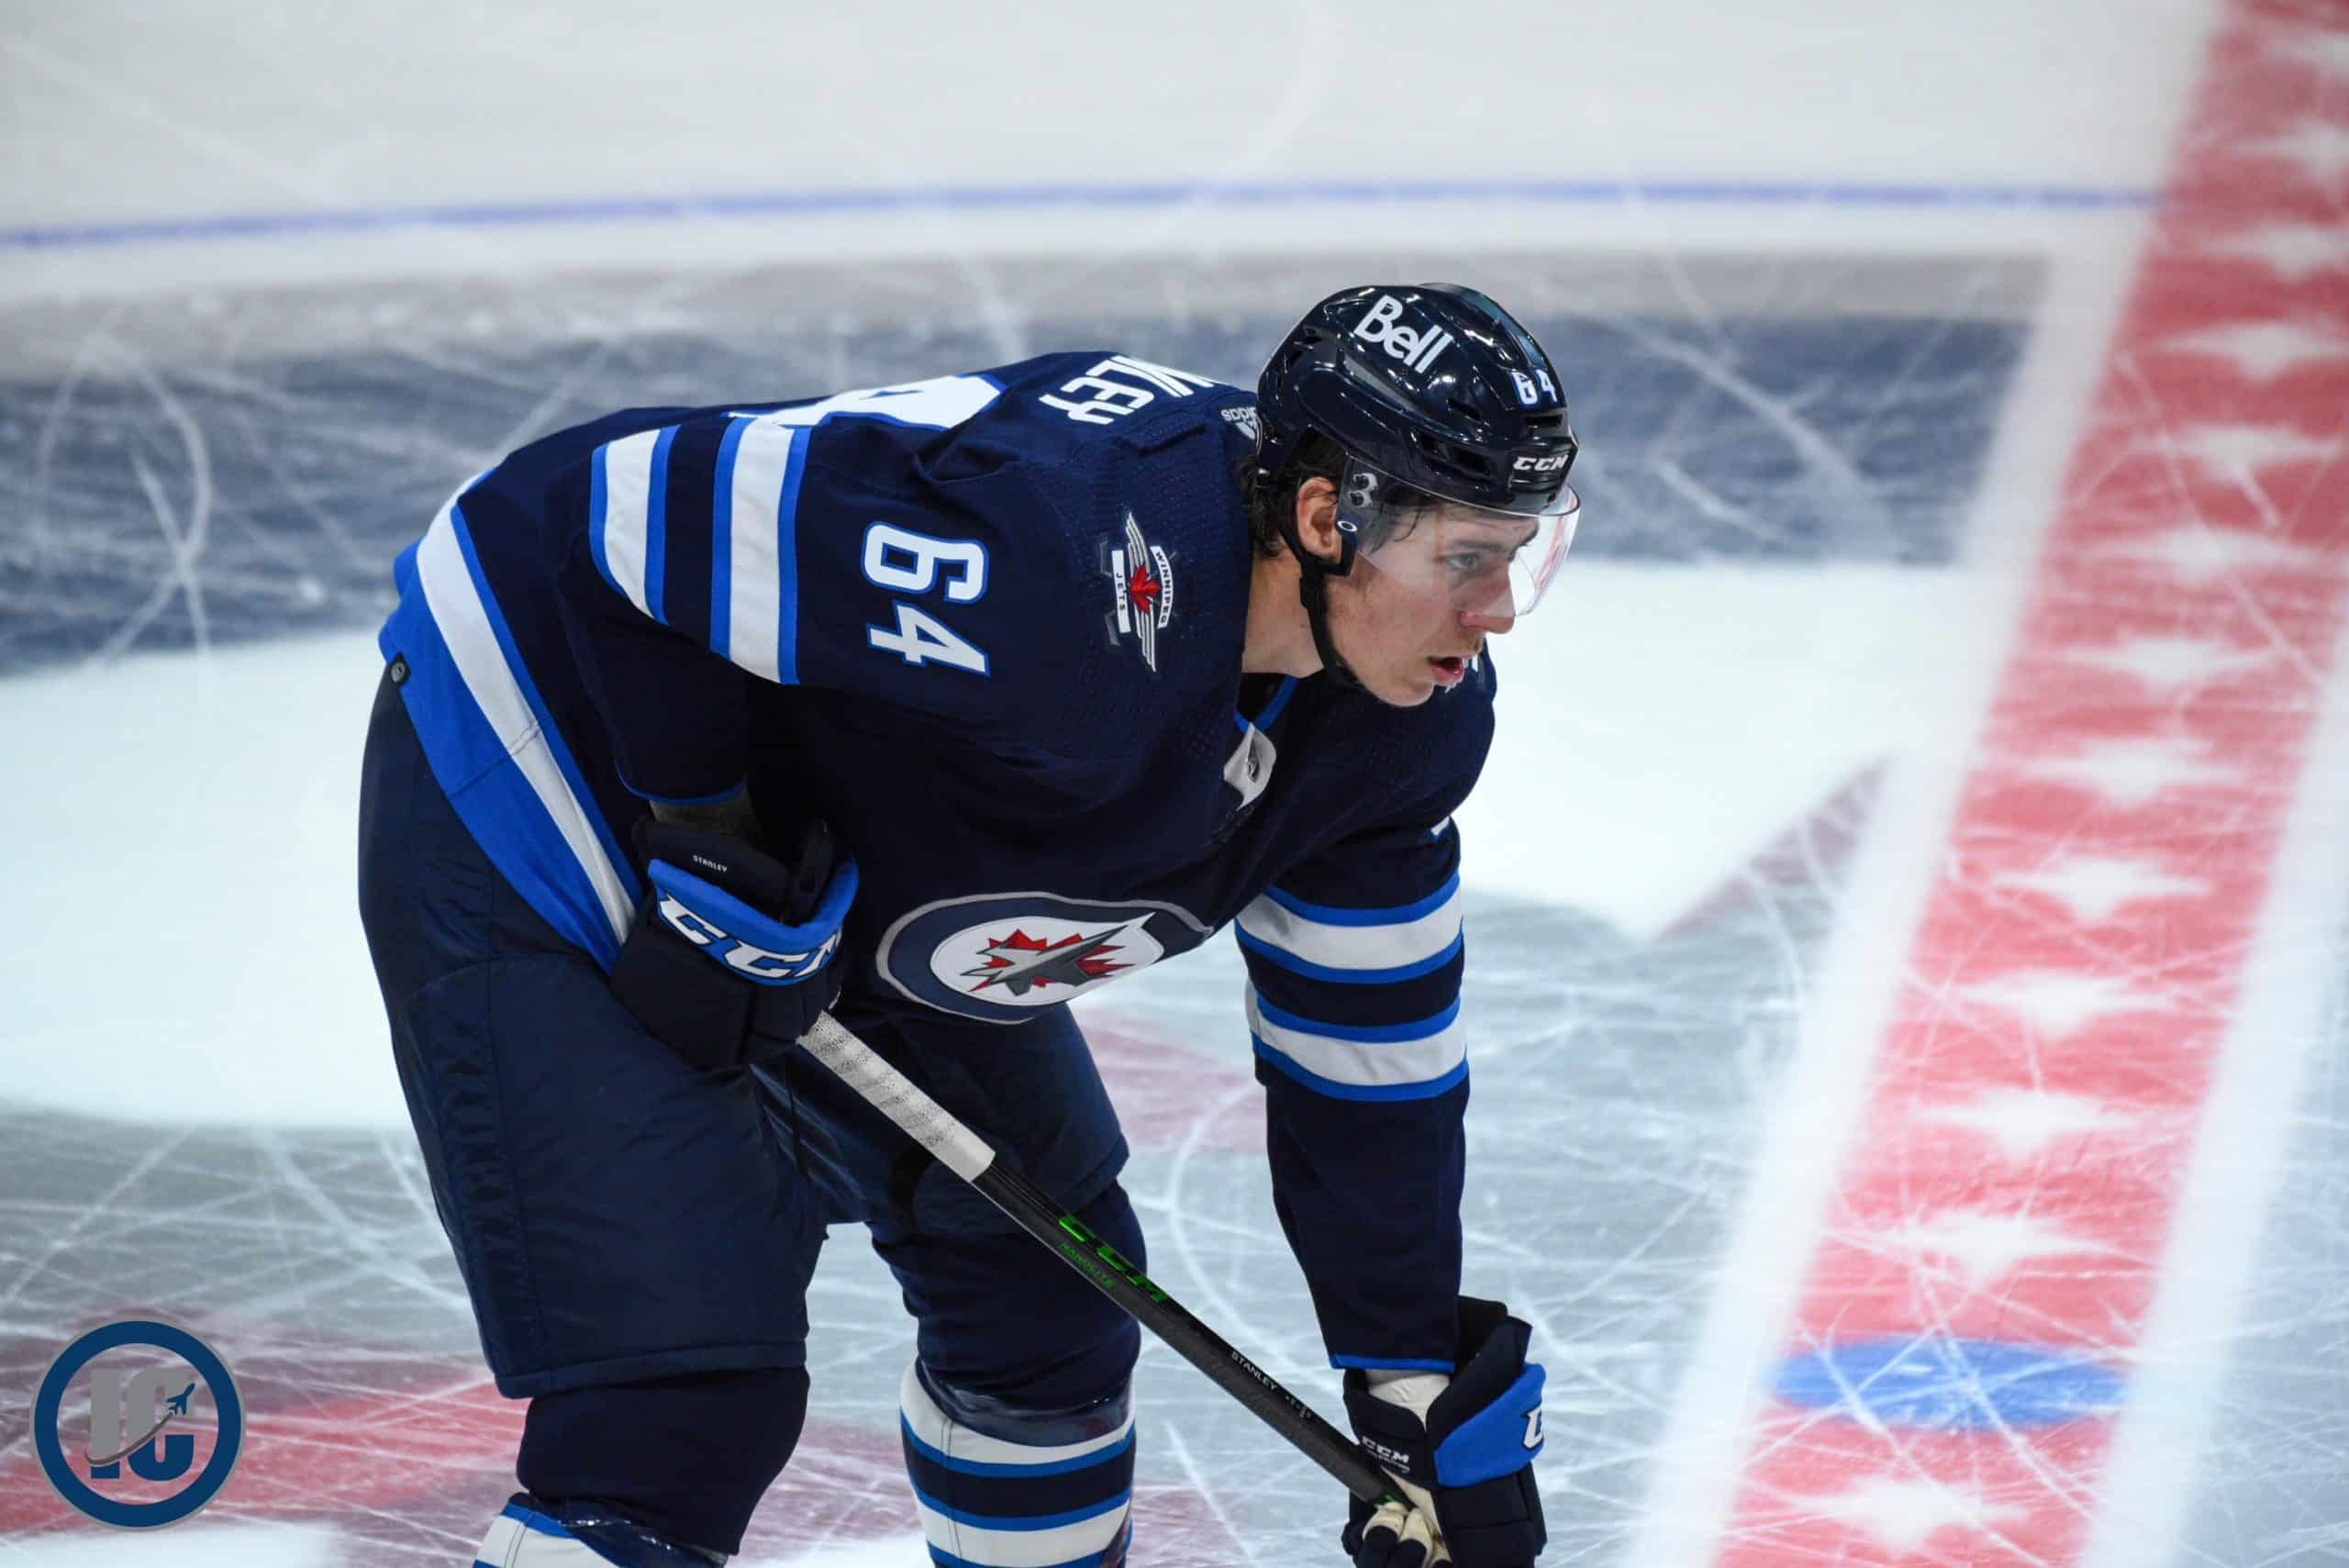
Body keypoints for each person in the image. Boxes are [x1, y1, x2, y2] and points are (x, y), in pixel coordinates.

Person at [356, 283, 1581, 1568]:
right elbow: (631, 516)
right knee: (676, 1411)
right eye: (1465, 560)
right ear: (1328, 520)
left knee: (1046, 1311)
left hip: (838, 855)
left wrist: (1403, 1374)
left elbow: (1364, 1052)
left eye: (1522, 556)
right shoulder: (1054, 562)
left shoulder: (1404, 733)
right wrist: (712, 828)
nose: (1497, 612)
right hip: (559, 745)